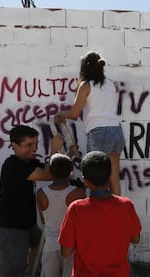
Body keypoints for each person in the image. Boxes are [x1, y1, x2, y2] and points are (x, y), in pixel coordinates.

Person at [59, 151, 141, 277]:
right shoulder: (126, 205)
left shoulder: (76, 209)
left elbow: (65, 252)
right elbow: (136, 239)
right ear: (109, 175)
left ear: (85, 181)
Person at [0, 124, 63, 277]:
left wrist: (66, 155)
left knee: (37, 244)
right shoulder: (13, 165)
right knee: (8, 275)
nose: (34, 149)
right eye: (29, 145)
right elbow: (48, 175)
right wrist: (54, 151)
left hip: (27, 226)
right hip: (12, 230)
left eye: (36, 144)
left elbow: (55, 171)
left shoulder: (29, 162)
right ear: (14, 146)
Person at [54, 51, 124, 195]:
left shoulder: (86, 86)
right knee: (114, 179)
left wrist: (61, 114)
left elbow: (74, 113)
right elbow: (116, 88)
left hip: (98, 132)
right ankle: (118, 214)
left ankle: (95, 213)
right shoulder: (111, 85)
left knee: (93, 178)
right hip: (116, 132)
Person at [36, 153, 86, 277]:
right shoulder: (78, 193)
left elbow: (43, 221)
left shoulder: (41, 193)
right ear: (71, 170)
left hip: (50, 244)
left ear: (50, 171)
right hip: (71, 245)